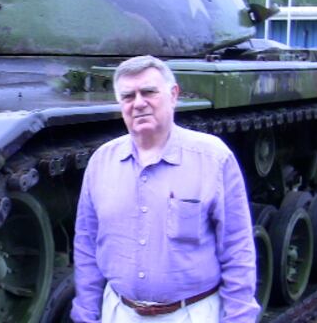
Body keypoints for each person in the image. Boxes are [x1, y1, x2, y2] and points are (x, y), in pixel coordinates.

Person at [71, 55, 259, 322]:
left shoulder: (214, 158)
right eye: (127, 96)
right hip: (119, 312)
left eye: (149, 92)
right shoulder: (102, 162)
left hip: (191, 313)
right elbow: (87, 247)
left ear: (173, 95)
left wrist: (239, 317)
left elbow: (237, 248)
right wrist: (86, 315)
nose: (138, 103)